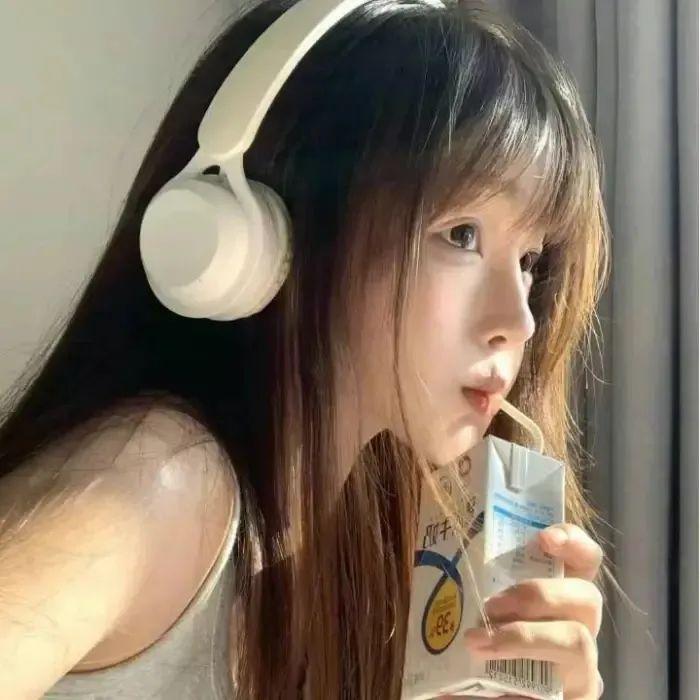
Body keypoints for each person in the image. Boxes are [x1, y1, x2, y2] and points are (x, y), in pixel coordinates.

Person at [0, 0, 612, 697]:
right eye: (461, 235)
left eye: (530, 259)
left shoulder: (369, 531)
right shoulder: (160, 479)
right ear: (261, 235)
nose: (519, 320)